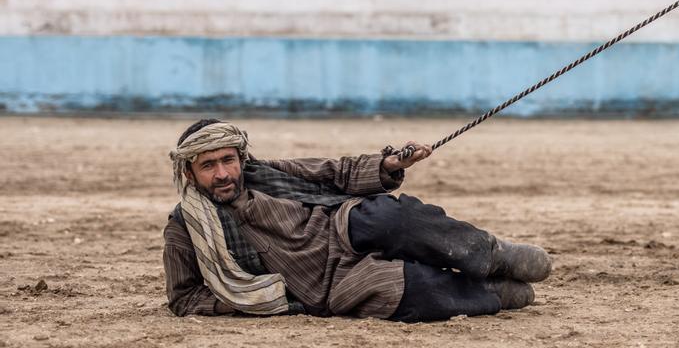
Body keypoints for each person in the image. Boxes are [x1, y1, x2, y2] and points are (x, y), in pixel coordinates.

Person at [162, 119, 551, 322]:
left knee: (392, 217)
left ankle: (495, 256)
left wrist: (391, 163)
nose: (223, 173)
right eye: (208, 165)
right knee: (412, 292)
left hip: (341, 225)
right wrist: (256, 300)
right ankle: (495, 293)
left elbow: (336, 172)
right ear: (190, 173)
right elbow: (184, 298)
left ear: (240, 158)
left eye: (227, 160)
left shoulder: (266, 173)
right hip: (327, 283)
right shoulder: (185, 228)